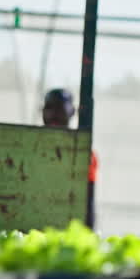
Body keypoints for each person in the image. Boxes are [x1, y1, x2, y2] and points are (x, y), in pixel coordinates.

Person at [41, 88, 97, 229]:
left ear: (72, 112)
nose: (53, 114)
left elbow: (88, 200)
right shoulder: (27, 146)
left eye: (59, 108)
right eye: (49, 108)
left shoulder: (85, 154)